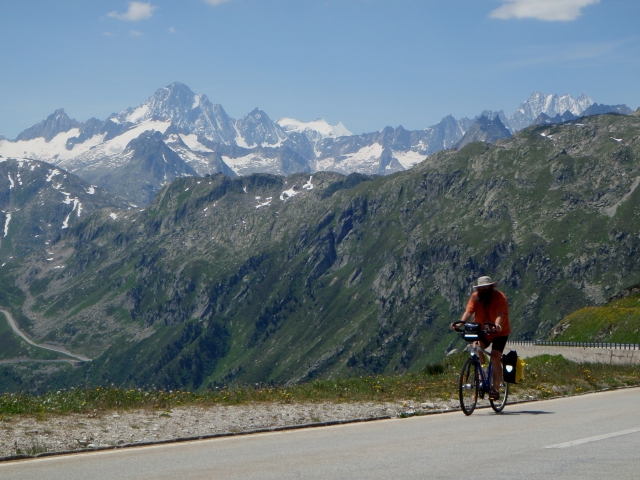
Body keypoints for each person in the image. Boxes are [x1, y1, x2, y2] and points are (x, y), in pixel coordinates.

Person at [451, 276, 510, 400]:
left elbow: (501, 313)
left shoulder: (500, 297)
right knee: (477, 349)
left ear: (491, 287)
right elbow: (469, 312)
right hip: (482, 330)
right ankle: (481, 376)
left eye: (485, 287)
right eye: (481, 288)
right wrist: (460, 323)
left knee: (495, 357)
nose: (483, 289)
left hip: (500, 332)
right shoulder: (475, 297)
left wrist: (498, 325)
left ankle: (495, 390)